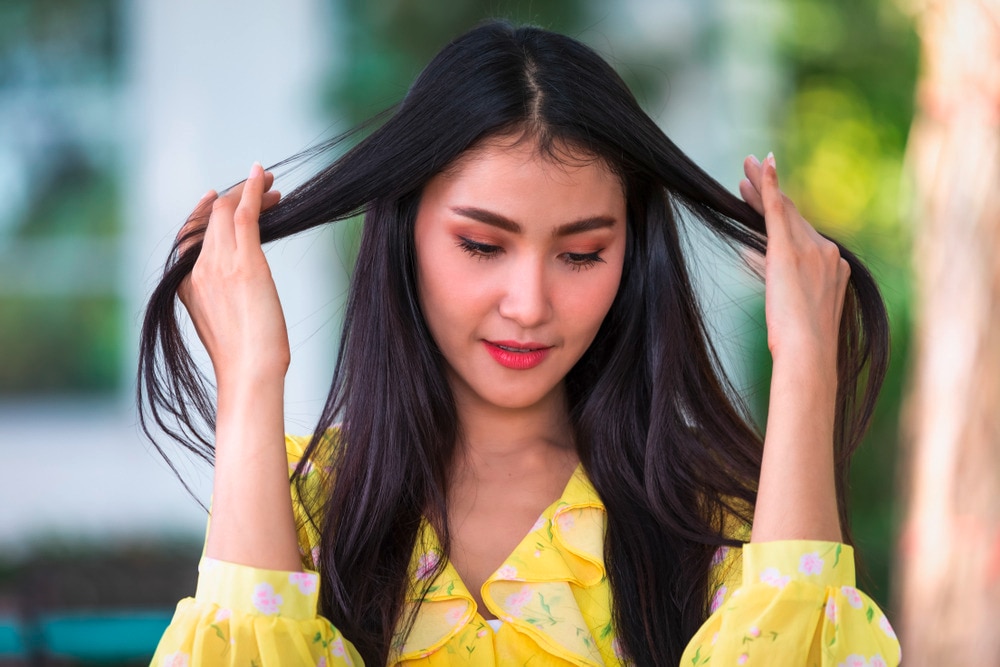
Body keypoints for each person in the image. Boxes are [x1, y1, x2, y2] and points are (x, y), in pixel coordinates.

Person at [141, 20, 901, 666]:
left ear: (631, 256)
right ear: (405, 235)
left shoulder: (713, 518)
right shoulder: (299, 504)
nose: (530, 304)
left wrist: (807, 369)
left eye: (581, 254)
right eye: (481, 245)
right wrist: (247, 379)